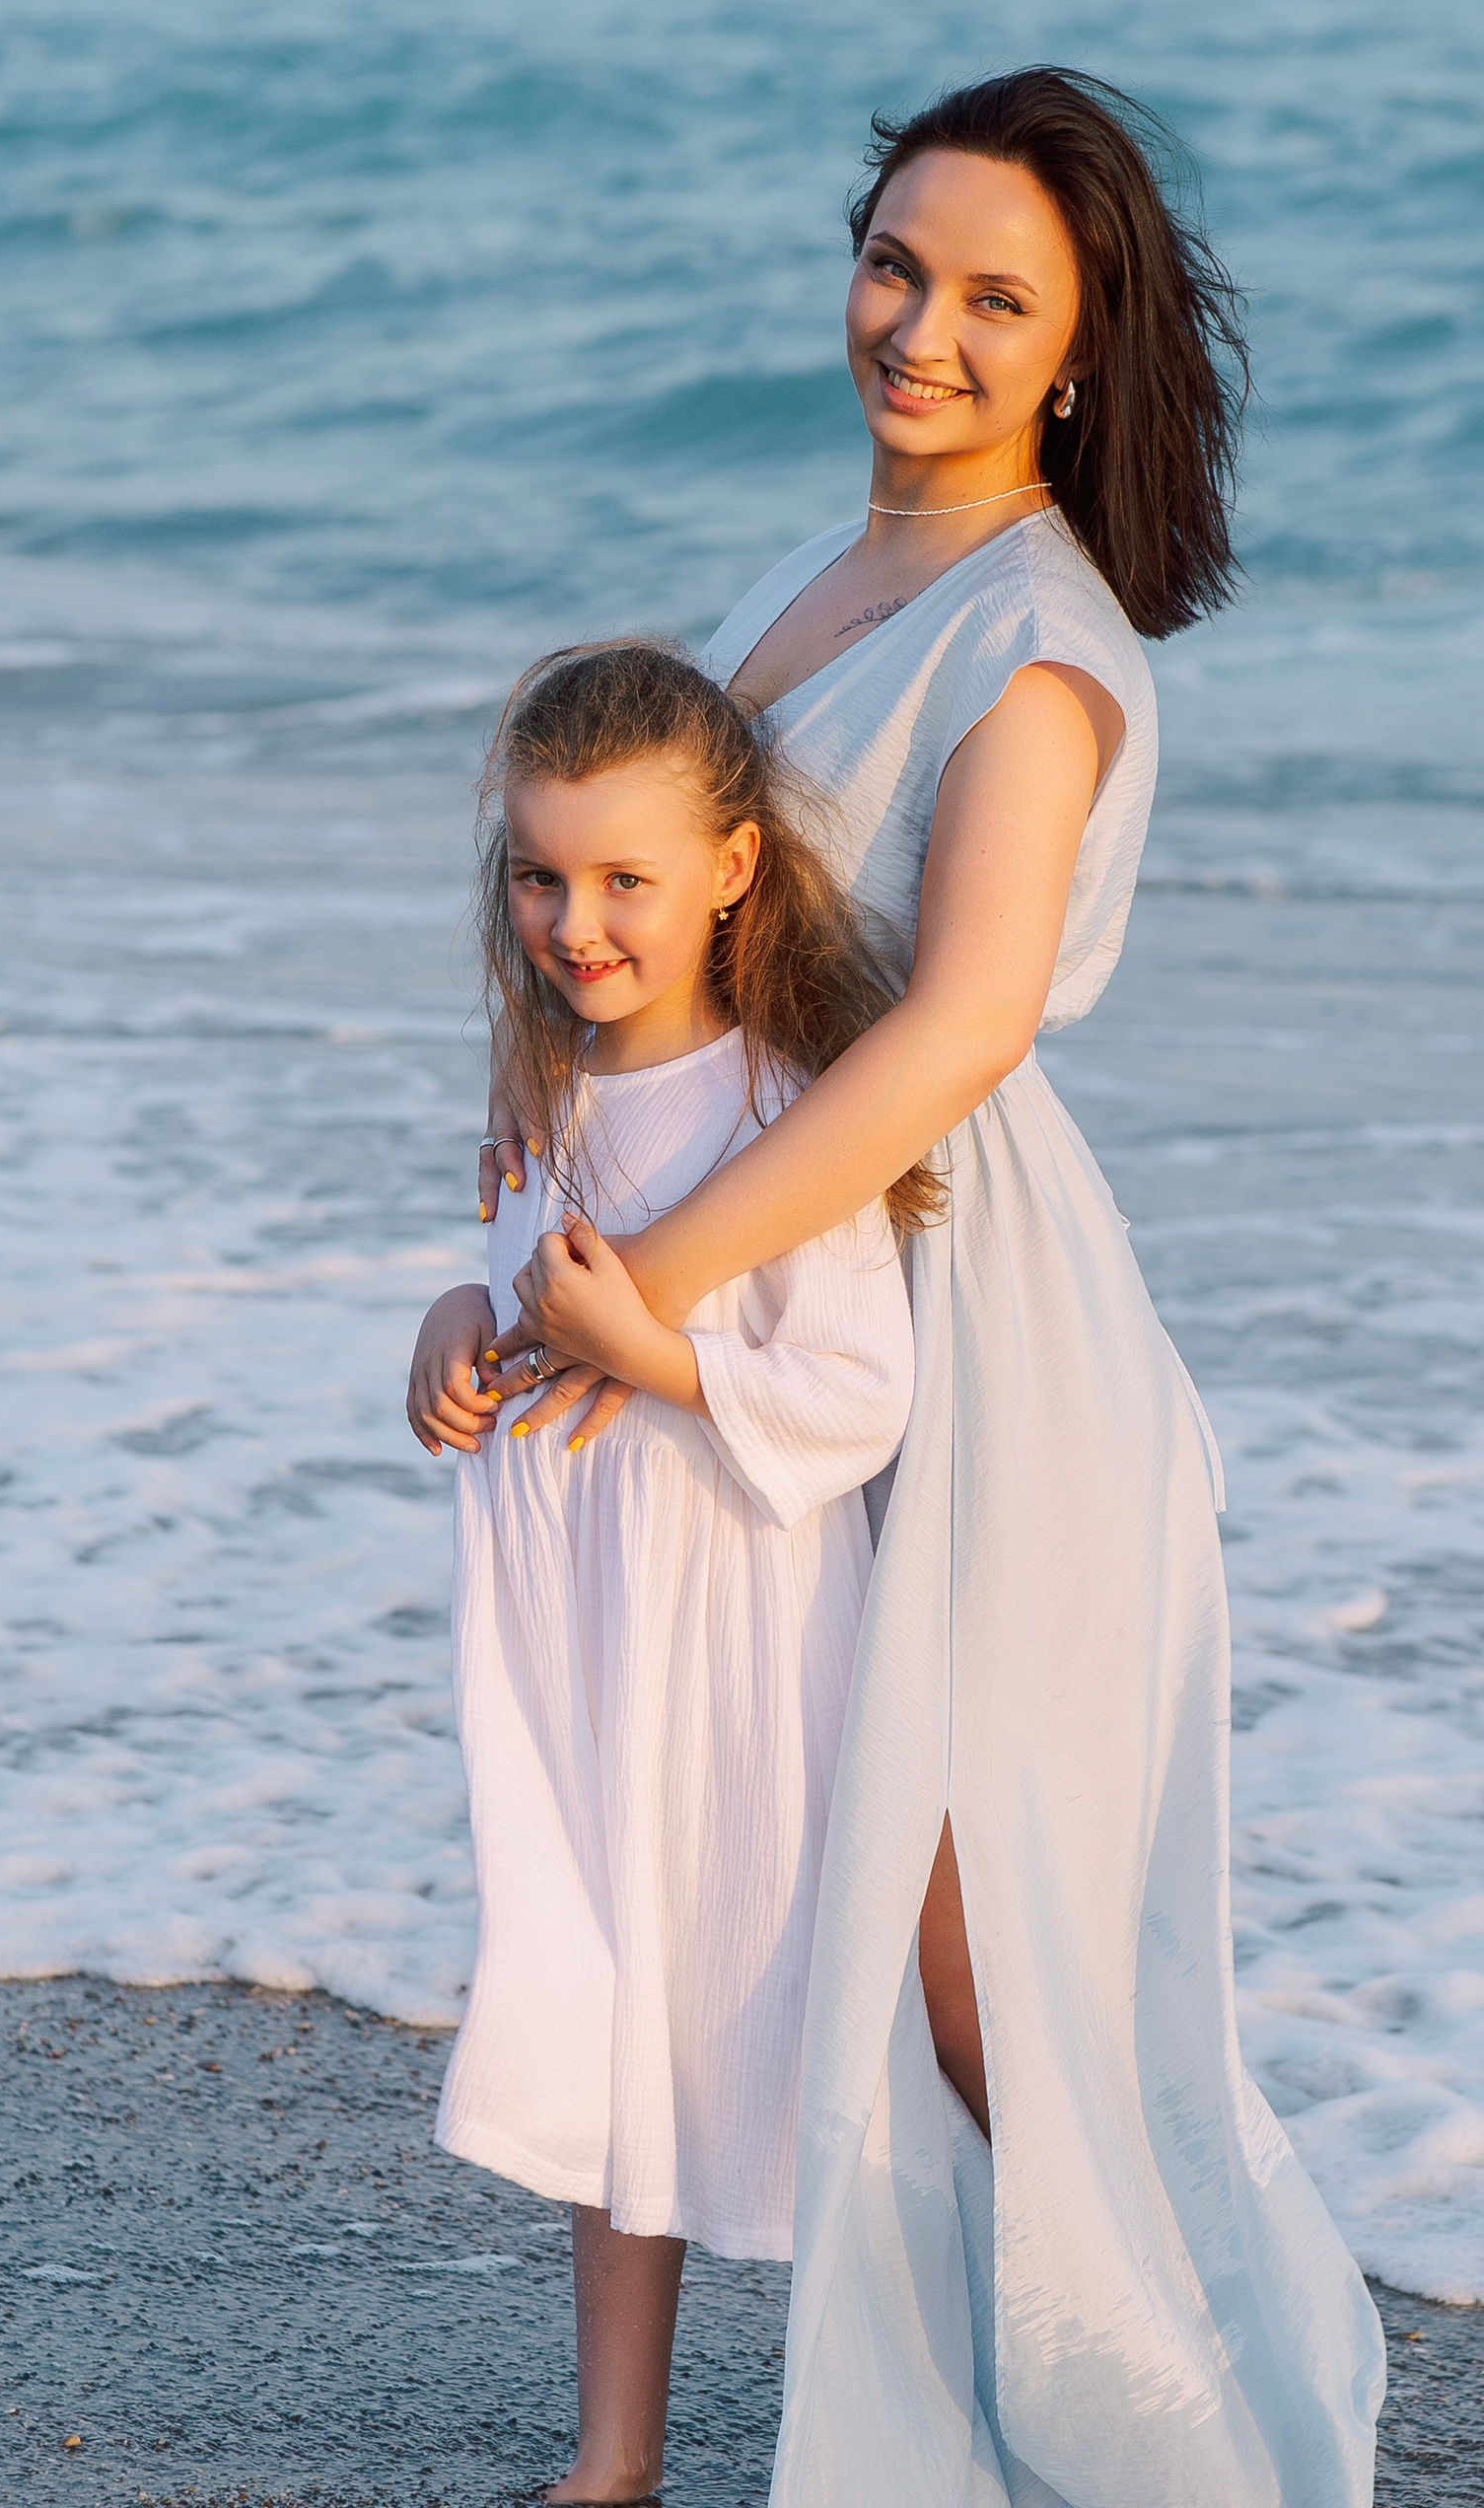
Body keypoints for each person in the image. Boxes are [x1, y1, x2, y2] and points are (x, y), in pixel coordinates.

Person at [430, 67, 1388, 2505]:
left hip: (962, 1330)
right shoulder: (818, 571)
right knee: (835, 1900)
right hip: (773, 1261)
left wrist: (644, 1271)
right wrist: (571, 1117)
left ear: (1076, 352)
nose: (919, 330)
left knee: (982, 1972)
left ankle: (1166, 2455)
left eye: (992, 299)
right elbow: (684, 910)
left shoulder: (1039, 646)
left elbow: (952, 1030)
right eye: (895, 264)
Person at [407, 640, 935, 2503]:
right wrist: (455, 1318)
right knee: (610, 2028)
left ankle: (883, 2445)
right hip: (575, 1640)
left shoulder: (790, 1110)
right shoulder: (547, 1074)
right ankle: (613, 2457)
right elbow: (515, 1266)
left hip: (736, 1640)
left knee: (773, 2029)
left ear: (729, 866)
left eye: (626, 879)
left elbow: (857, 1396)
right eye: (544, 877)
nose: (578, 922)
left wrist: (663, 1359)